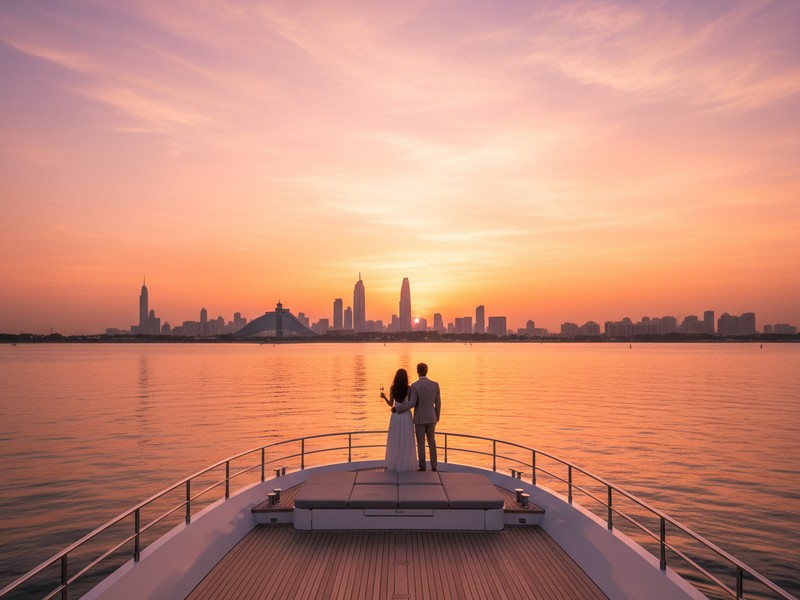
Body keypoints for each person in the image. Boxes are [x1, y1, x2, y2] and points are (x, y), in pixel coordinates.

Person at [397, 362, 441, 471]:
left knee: (421, 443)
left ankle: (422, 466)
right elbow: (438, 403)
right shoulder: (435, 385)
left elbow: (412, 403)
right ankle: (434, 466)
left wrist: (399, 409)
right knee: (432, 441)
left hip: (420, 419)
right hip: (432, 418)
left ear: (418, 372)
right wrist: (437, 417)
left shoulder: (415, 386)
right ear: (427, 371)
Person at [380, 368, 417, 472]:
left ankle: (395, 463)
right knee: (406, 439)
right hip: (406, 415)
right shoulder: (409, 389)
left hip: (395, 416)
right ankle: (405, 463)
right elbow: (409, 403)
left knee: (395, 439)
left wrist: (384, 397)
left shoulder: (393, 388)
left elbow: (391, 404)